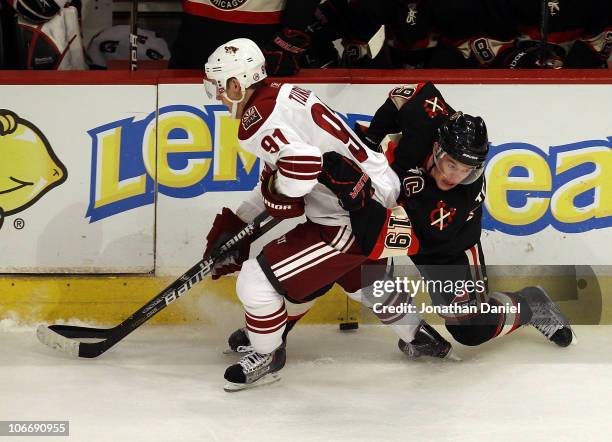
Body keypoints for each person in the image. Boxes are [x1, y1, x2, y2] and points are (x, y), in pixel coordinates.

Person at [203, 38, 453, 391]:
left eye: (218, 86)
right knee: (363, 281)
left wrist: (279, 194)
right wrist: (240, 220)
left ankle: (266, 355)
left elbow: (302, 167)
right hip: (379, 197)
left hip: (349, 218)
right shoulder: (284, 93)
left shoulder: (255, 121)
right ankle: (419, 334)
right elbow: (292, 165)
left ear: (235, 83)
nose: (216, 95)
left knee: (256, 282)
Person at [318, 82, 575, 350]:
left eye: (466, 170)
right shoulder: (430, 120)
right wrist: (371, 141)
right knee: (340, 256)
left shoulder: (452, 203)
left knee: (470, 329)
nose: (455, 177)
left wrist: (355, 189)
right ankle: (413, 333)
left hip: (447, 247)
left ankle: (532, 304)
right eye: (452, 165)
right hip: (404, 215)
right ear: (438, 147)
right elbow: (405, 95)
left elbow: (384, 232)